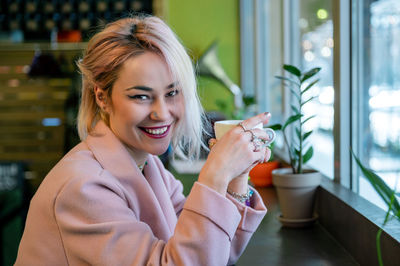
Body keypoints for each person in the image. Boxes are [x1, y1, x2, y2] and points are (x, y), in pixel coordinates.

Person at [15, 15, 272, 266]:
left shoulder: (148, 165)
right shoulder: (82, 188)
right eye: (140, 96)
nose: (161, 113)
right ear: (102, 97)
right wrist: (215, 174)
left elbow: (212, 251)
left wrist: (236, 175)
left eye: (172, 92)